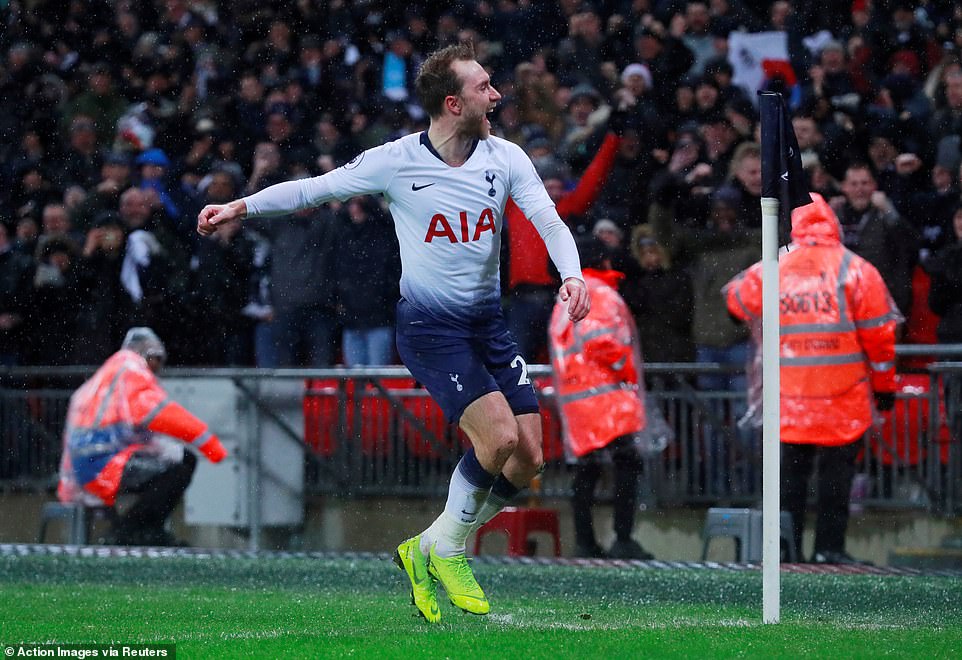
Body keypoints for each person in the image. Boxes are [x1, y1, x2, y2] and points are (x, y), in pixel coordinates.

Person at [196, 42, 589, 623]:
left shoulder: (505, 158)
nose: (497, 94)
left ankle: (426, 544)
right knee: (499, 439)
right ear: (454, 103)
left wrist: (573, 274)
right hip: (431, 327)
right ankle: (451, 549)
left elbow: (548, 220)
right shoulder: (397, 160)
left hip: (486, 323)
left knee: (529, 459)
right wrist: (241, 206)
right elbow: (314, 189)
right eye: (485, 87)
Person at [724, 193, 900, 564]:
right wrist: (884, 389)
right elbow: (881, 338)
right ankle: (829, 550)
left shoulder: (776, 267)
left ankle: (786, 554)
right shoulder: (856, 270)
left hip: (789, 401)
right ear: (832, 222)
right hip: (843, 400)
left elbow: (736, 302)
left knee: (789, 484)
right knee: (835, 484)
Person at [57, 328, 228, 546]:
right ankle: (132, 532)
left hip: (86, 463)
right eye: (157, 359)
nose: (158, 367)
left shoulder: (110, 371)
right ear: (146, 353)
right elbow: (161, 413)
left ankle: (137, 530)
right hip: (102, 463)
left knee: (174, 463)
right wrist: (210, 445)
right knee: (182, 465)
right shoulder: (132, 371)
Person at [548, 236, 654, 560]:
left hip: (577, 399)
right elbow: (601, 340)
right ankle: (622, 538)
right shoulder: (601, 294)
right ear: (605, 262)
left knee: (587, 470)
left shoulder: (563, 300)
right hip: (607, 398)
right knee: (627, 462)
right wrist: (626, 367)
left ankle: (585, 541)